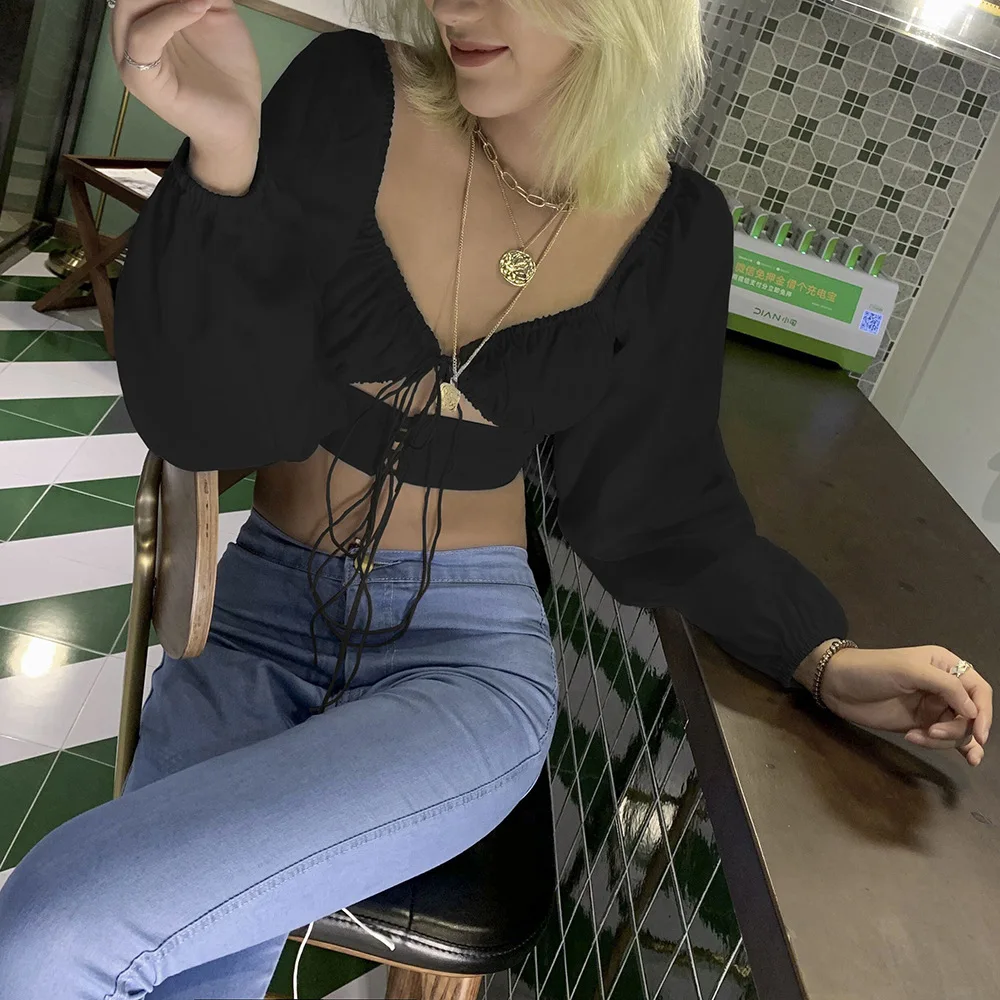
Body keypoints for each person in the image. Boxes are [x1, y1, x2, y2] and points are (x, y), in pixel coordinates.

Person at [0, 1, 992, 997]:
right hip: (257, 619)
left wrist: (820, 657)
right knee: (105, 950)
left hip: (464, 668)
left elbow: (659, 511)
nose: (456, 6)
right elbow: (209, 427)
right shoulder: (350, 92)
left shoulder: (676, 232)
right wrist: (223, 160)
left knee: (54, 928)